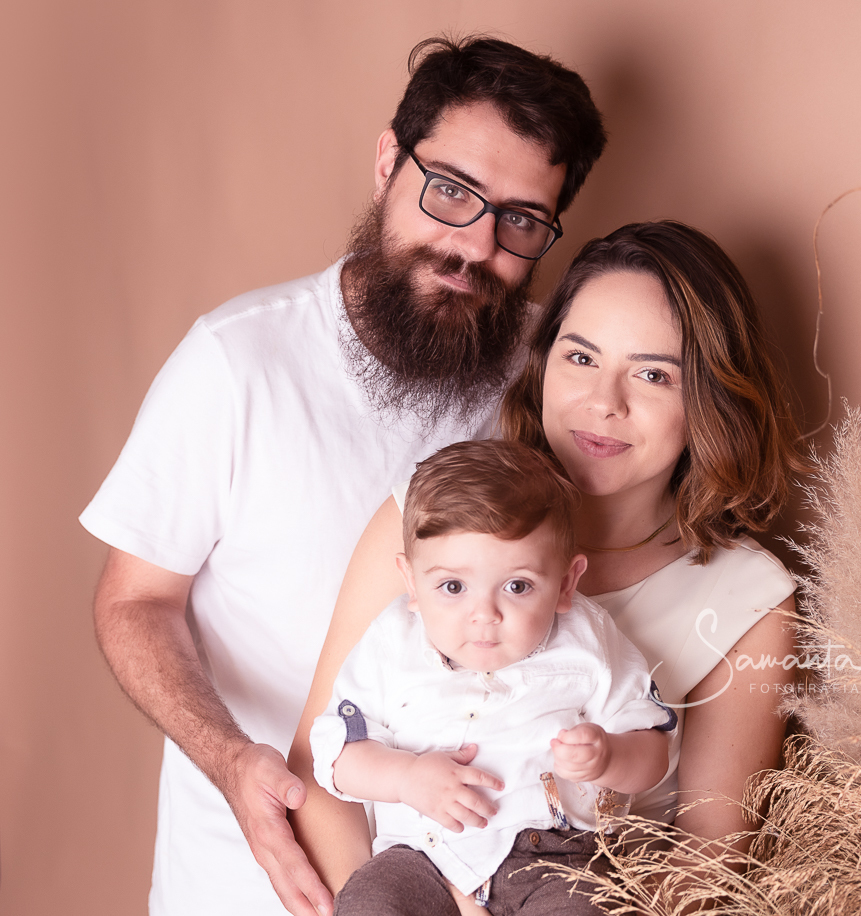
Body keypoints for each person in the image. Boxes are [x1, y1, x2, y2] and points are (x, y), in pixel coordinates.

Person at [79, 36, 606, 916]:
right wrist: (228, 758)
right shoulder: (238, 361)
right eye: (450, 191)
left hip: (471, 882)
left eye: (520, 220)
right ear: (388, 162)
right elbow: (134, 601)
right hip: (243, 881)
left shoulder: (554, 374)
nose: (474, 245)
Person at [289, 220, 803, 900]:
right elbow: (321, 774)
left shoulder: (748, 598)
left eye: (652, 374)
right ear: (543, 363)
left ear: (709, 396)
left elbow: (706, 864)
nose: (603, 403)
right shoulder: (430, 513)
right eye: (581, 358)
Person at [311, 439, 673, 915]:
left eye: (517, 586)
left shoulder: (588, 640)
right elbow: (337, 754)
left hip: (556, 859)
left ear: (566, 582)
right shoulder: (391, 642)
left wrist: (609, 756)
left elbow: (653, 752)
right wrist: (405, 777)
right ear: (412, 581)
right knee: (370, 903)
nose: (484, 614)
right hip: (419, 856)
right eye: (453, 586)